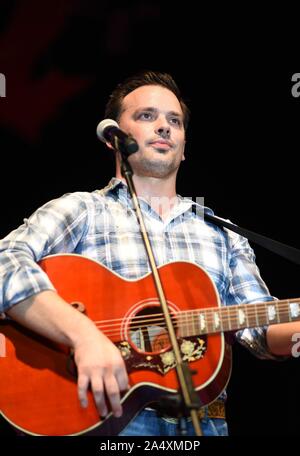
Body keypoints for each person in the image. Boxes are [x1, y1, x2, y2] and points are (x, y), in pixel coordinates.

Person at [0, 70, 296, 437]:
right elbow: (6, 262)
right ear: (114, 139)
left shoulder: (223, 234)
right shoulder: (82, 210)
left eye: (174, 121)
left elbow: (262, 328)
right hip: (105, 417)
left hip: (205, 423)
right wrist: (82, 335)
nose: (163, 127)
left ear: (185, 147)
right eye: (146, 116)